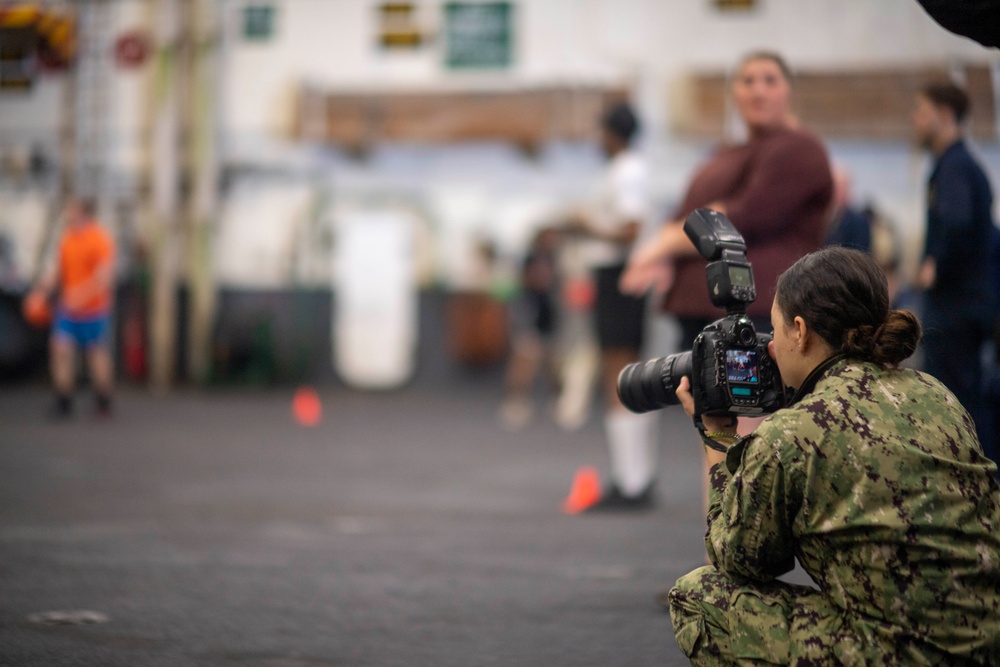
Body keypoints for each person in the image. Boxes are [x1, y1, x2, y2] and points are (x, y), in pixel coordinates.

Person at [667, 246, 1000, 665]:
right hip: (987, 642)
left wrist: (718, 435)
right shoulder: (935, 395)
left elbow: (737, 557)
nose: (771, 350)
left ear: (801, 332)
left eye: (775, 331)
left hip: (903, 653)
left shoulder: (794, 431)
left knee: (700, 598)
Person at [562, 102, 658, 511]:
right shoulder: (622, 169)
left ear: (611, 133)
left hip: (620, 273)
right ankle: (631, 477)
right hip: (614, 274)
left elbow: (630, 228)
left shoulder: (628, 171)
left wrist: (585, 226)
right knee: (617, 371)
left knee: (621, 373)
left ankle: (633, 481)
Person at [912, 81, 998, 467]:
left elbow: (959, 221)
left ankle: (973, 481)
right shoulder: (959, 164)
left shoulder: (955, 165)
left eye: (921, 112)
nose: (916, 121)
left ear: (944, 115)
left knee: (955, 399)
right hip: (967, 301)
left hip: (957, 305)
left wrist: (935, 264)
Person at [30, 197, 116, 418]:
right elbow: (58, 271)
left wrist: (80, 295)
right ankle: (63, 401)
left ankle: (103, 401)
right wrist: (41, 292)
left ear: (84, 212)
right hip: (67, 309)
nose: (68, 215)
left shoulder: (99, 239)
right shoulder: (67, 239)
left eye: (72, 210)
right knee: (60, 349)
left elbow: (104, 277)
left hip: (94, 309)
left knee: (96, 354)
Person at [498, 226, 561, 430]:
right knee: (524, 362)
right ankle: (516, 401)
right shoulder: (531, 260)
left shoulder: (556, 260)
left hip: (549, 322)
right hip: (529, 321)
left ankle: (557, 402)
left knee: (553, 365)